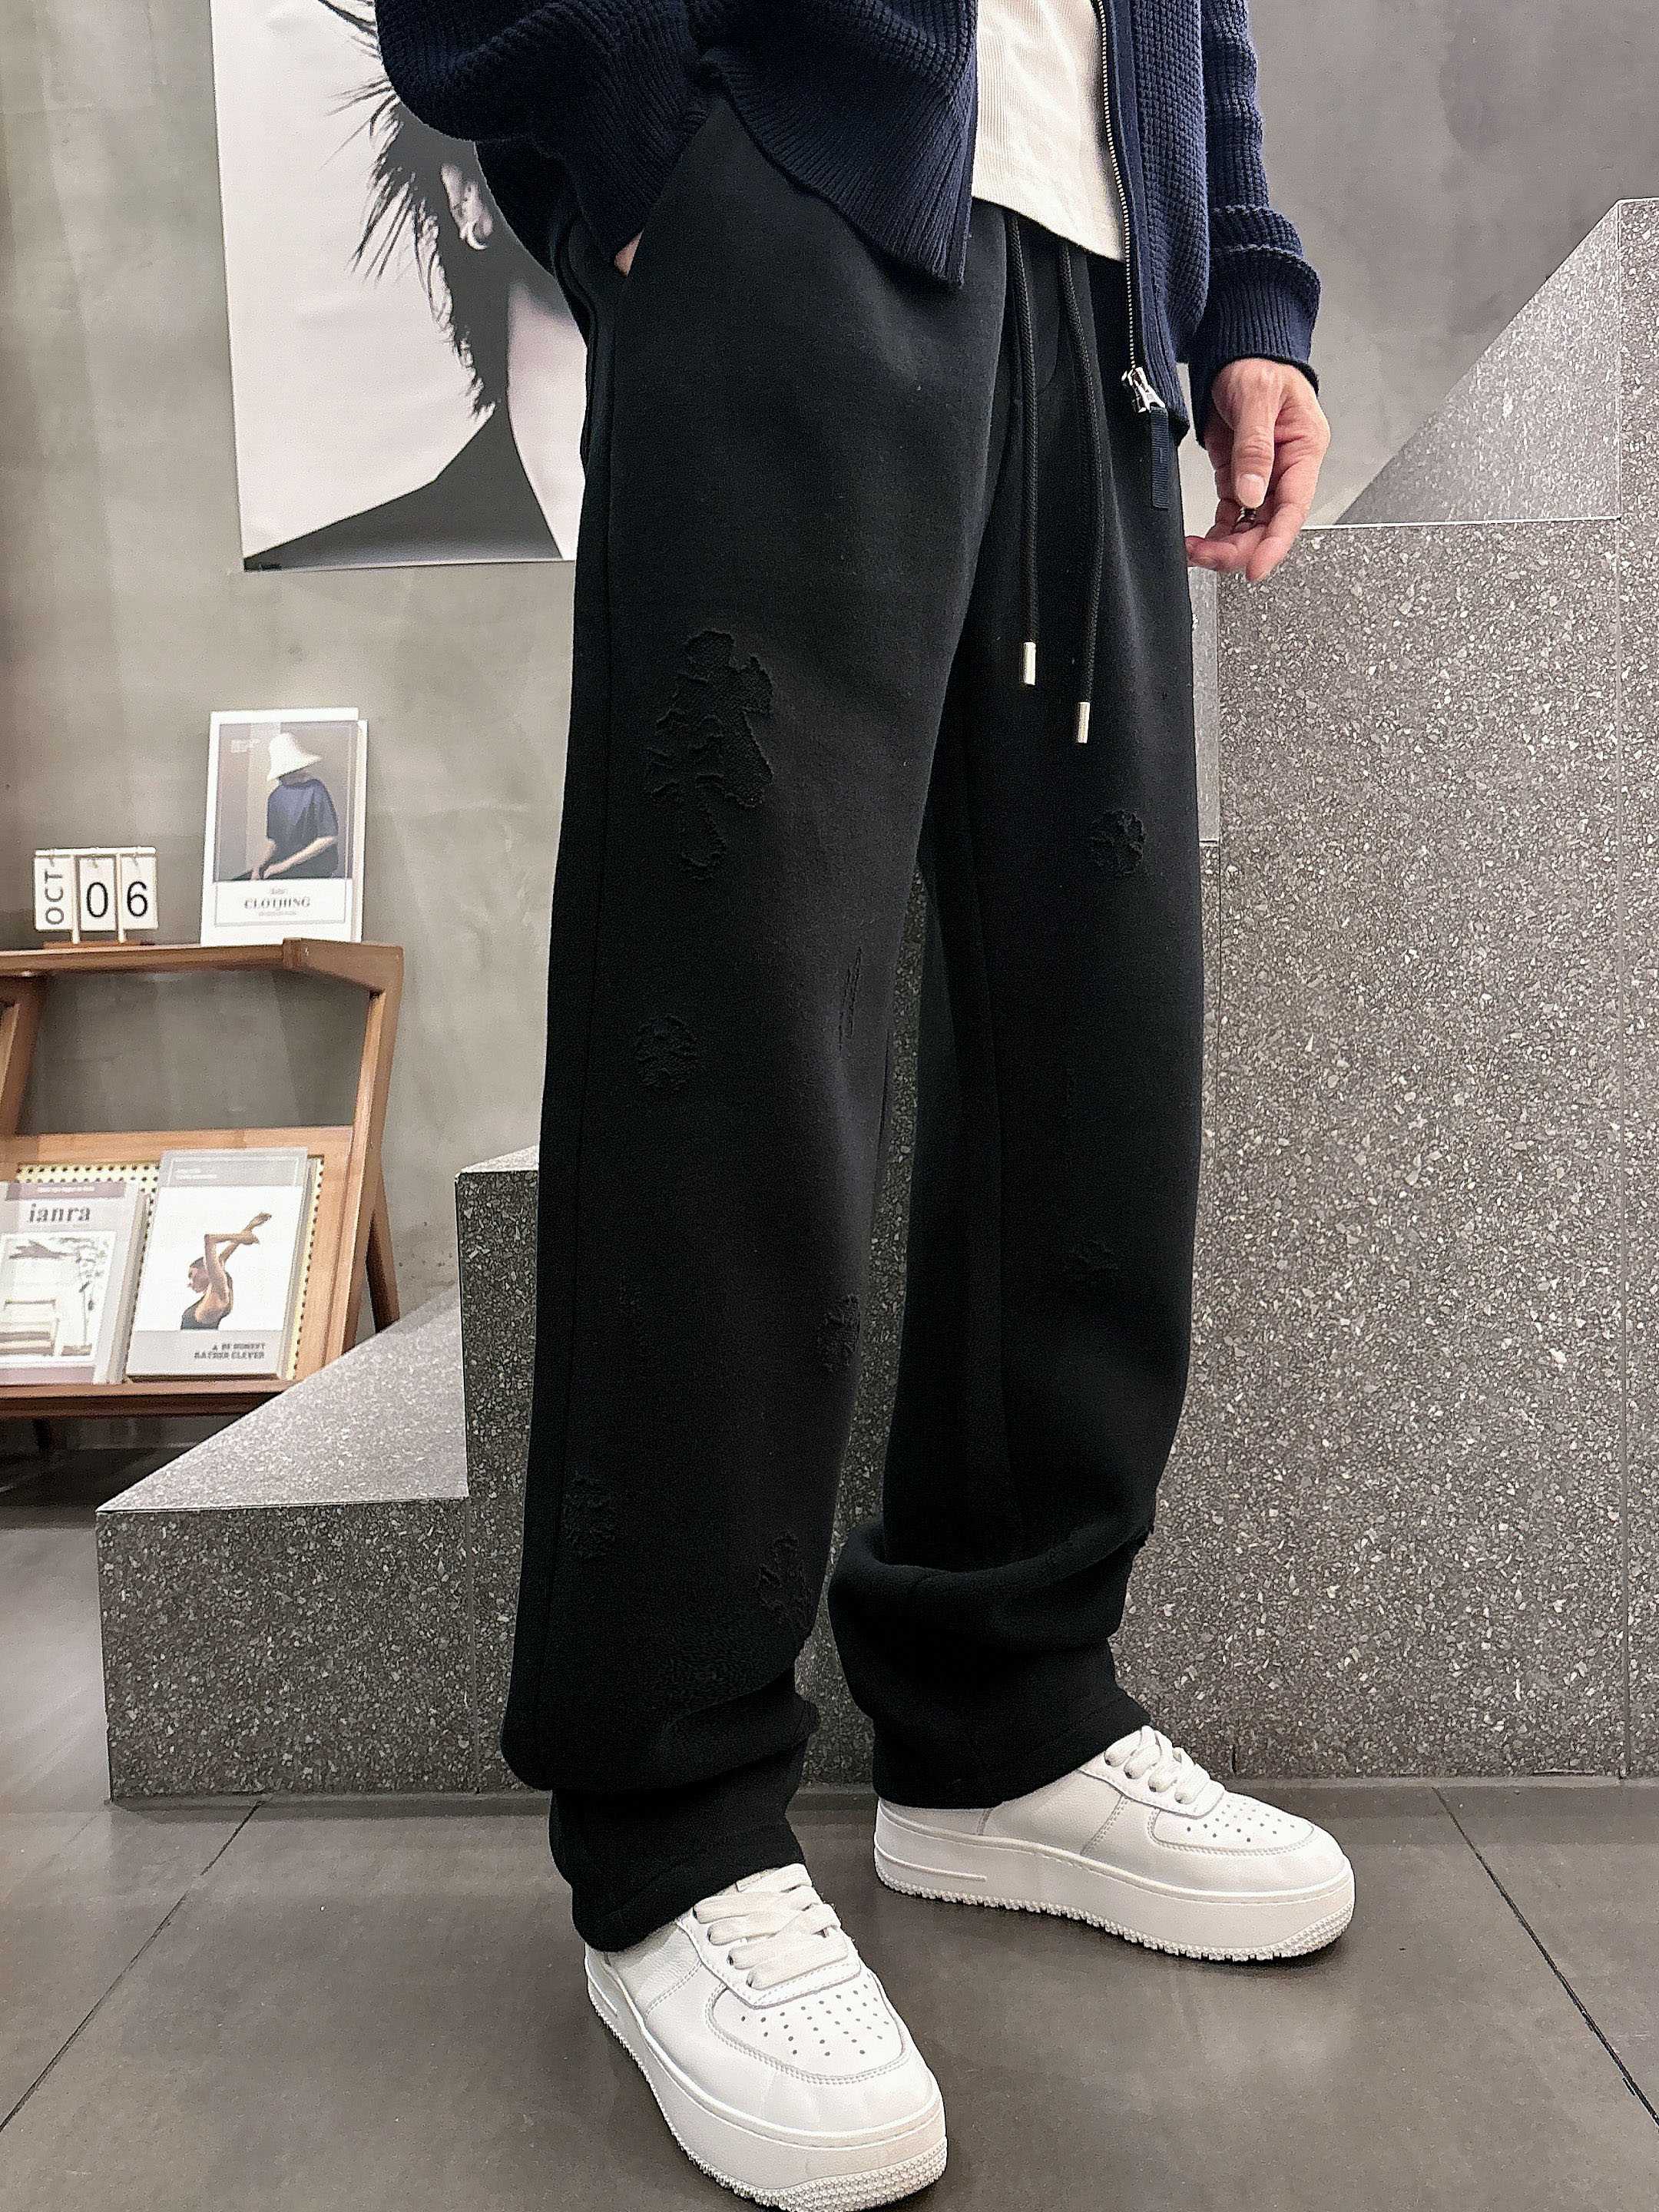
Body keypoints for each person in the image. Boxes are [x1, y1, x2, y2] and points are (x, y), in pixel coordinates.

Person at [378, 5, 1343, 2204]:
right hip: (796, 192)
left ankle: (1006, 1712)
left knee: (1095, 1035)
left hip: (1097, 284)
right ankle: (674, 1828)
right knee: (732, 1030)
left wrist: (1242, 280)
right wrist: (649, 143)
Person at [251, 733, 342, 882]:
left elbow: (328, 837)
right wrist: (260, 865)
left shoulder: (315, 789)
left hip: (314, 870)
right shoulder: (275, 797)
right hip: (284, 869)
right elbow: (275, 841)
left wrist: (285, 865)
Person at [180, 1214, 271, 1332]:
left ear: (205, 1269)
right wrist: (250, 1227)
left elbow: (210, 1239)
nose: (190, 1283)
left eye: (191, 1275)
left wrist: (241, 1237)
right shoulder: (214, 1293)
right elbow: (222, 1258)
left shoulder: (219, 1292)